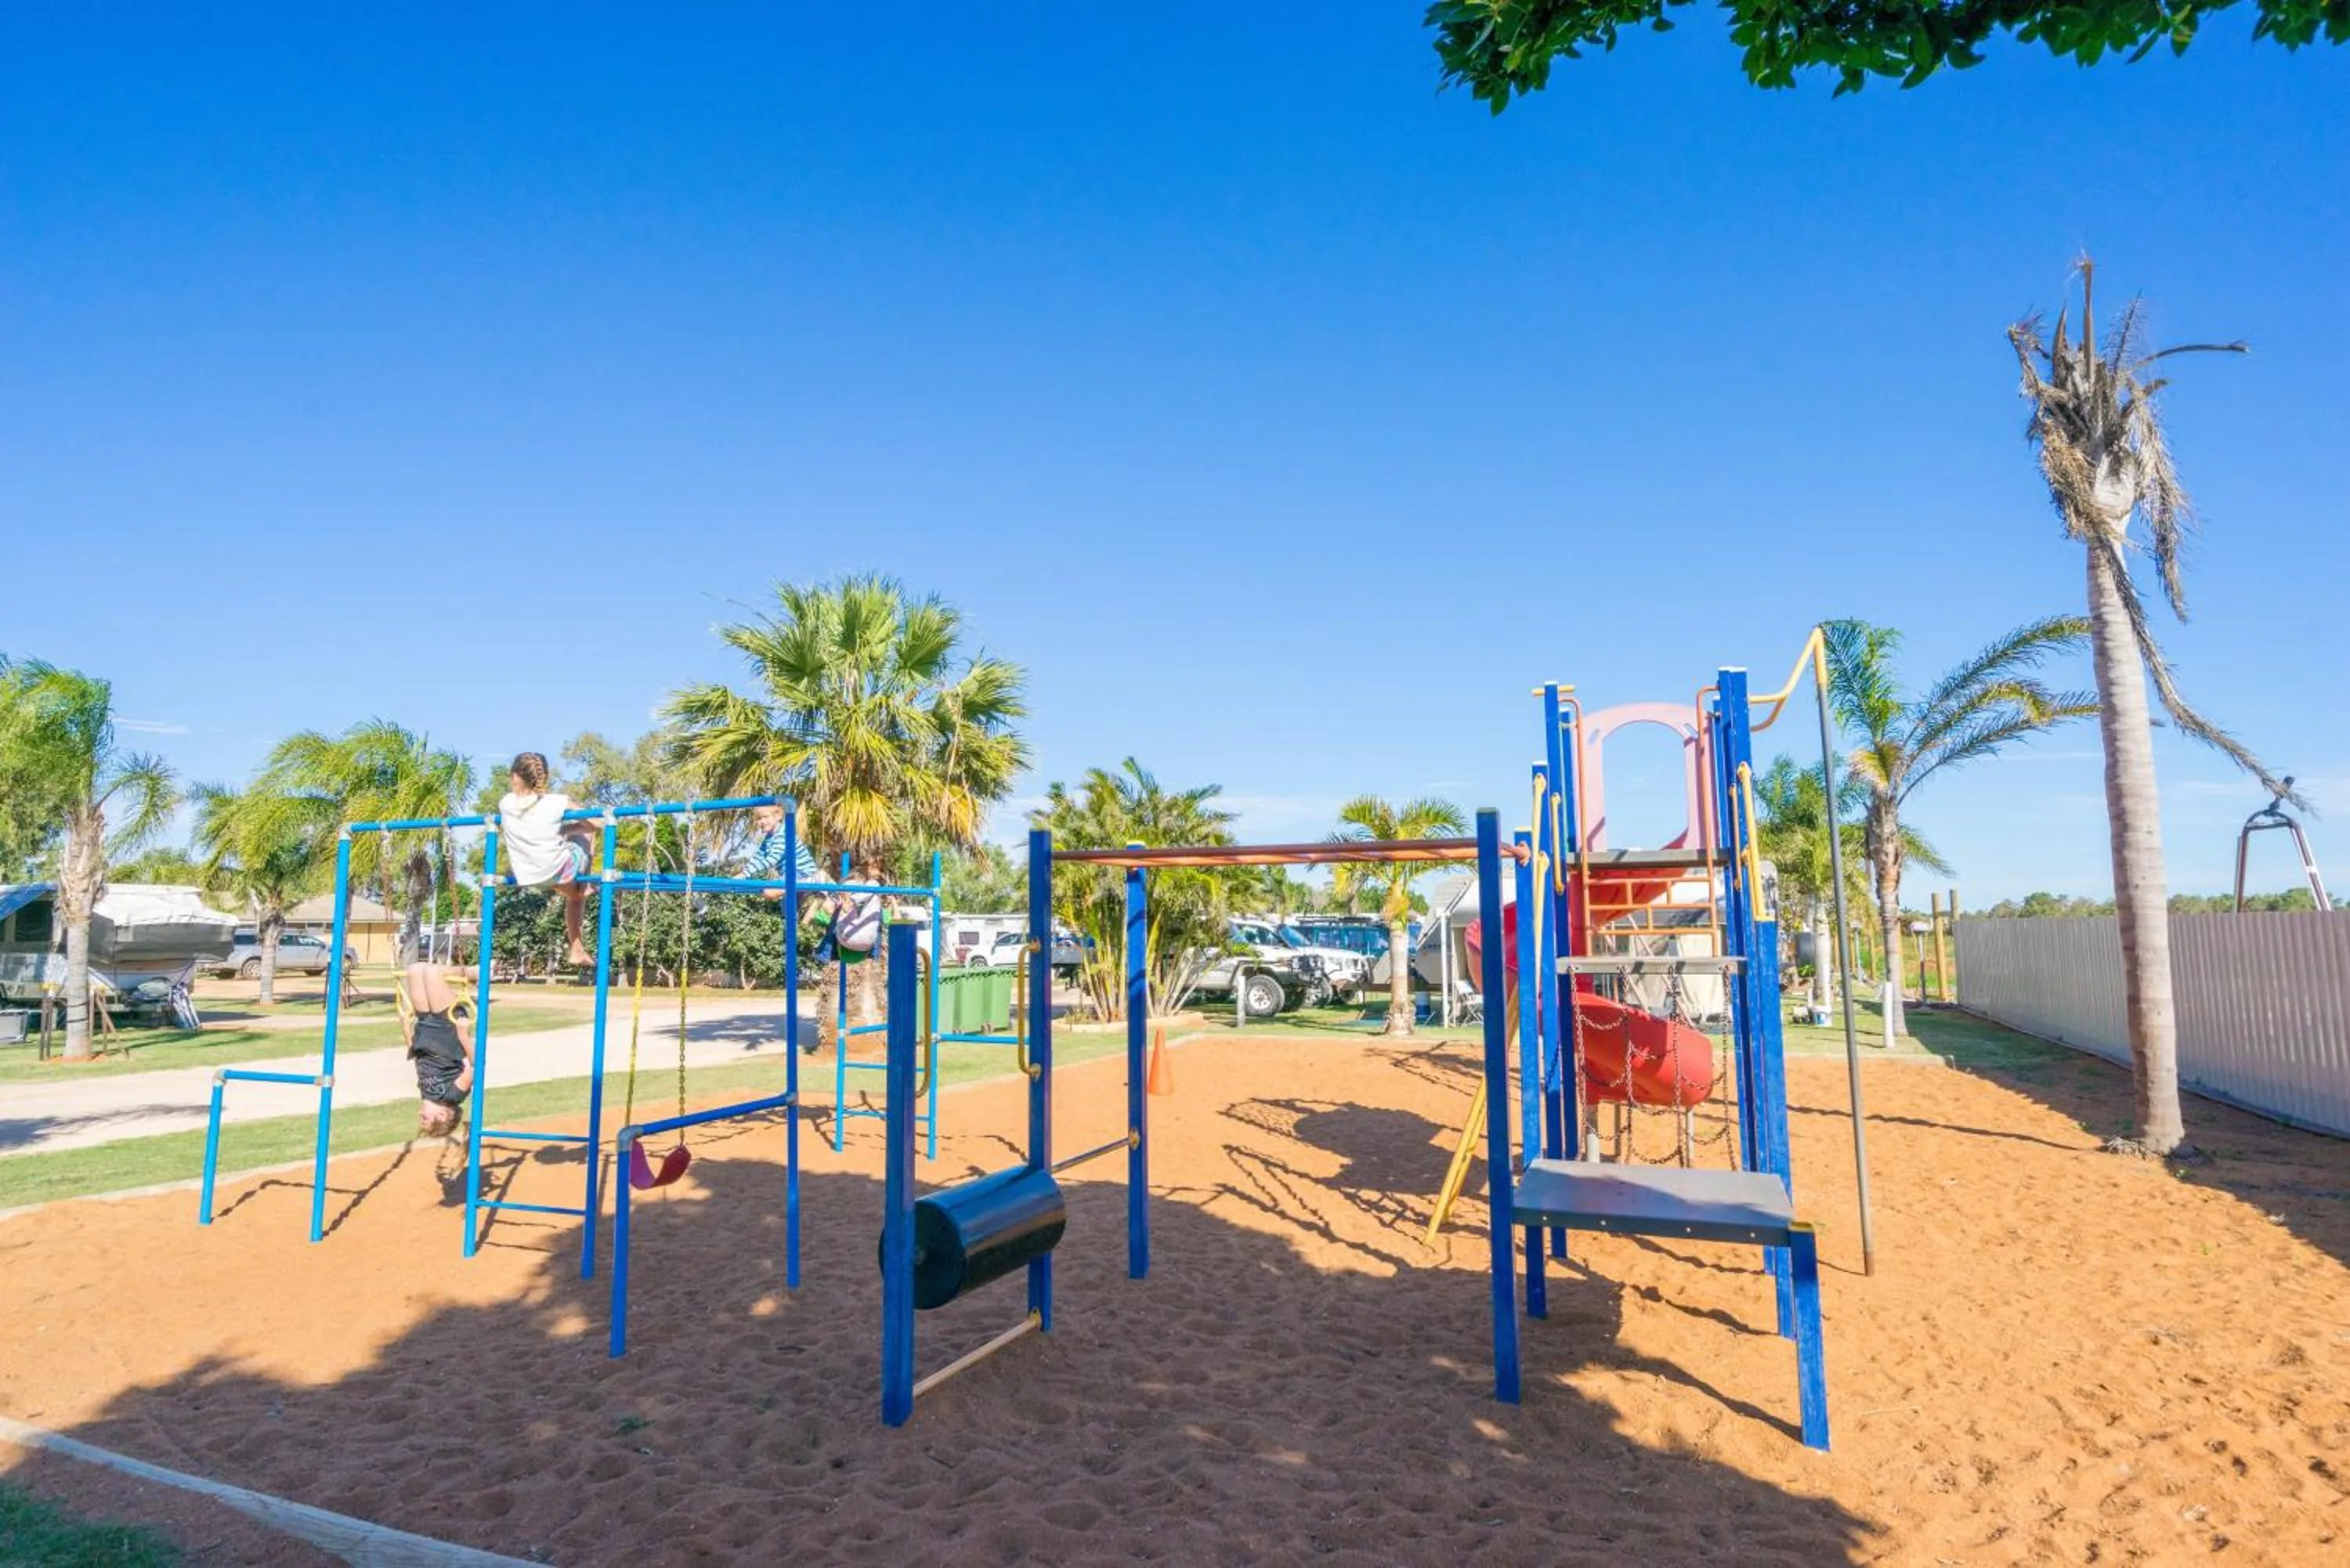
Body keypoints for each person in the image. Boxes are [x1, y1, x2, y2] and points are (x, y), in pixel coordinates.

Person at [499, 751, 595, 965]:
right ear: (544, 778)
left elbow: (534, 825)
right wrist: (576, 825)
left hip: (527, 875)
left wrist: (565, 829)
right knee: (587, 833)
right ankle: (585, 884)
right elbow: (599, 823)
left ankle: (577, 949)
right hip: (558, 871)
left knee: (575, 897)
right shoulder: (556, 802)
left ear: (514, 776)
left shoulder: (505, 803)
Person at [404, 962, 475, 1137]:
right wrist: (464, 1036)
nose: (419, 1115)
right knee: (432, 973)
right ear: (442, 1115)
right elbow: (476, 1066)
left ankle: (470, 973)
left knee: (415, 970)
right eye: (425, 1119)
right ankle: (471, 973)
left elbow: (419, 1060)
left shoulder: (425, 1093)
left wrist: (406, 1028)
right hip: (447, 1028)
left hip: (425, 1029)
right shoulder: (453, 1096)